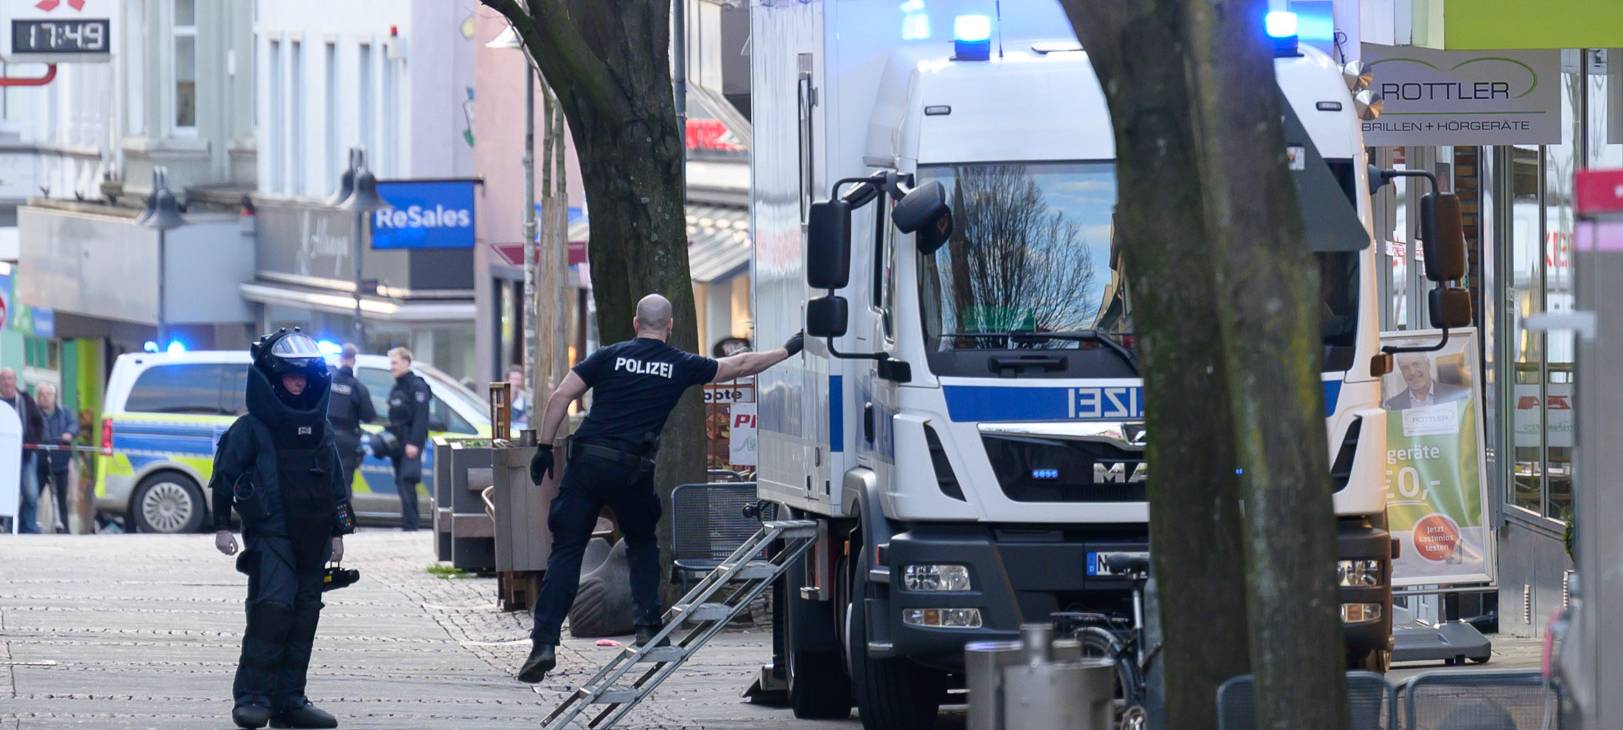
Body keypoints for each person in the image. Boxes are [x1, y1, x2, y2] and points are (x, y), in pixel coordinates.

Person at [516, 293, 804, 683]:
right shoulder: (679, 364)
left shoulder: (607, 356)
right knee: (640, 544)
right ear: (669, 327)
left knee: (567, 552)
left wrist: (545, 448)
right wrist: (787, 350)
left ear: (636, 323)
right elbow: (739, 365)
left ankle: (544, 644)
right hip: (632, 468)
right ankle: (648, 627)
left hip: (588, 463)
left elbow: (561, 395)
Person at [209, 329, 353, 729]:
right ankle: (253, 696)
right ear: (273, 378)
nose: (299, 382)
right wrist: (222, 527)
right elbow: (223, 477)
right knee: (271, 612)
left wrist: (339, 533)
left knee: (305, 615)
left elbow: (335, 484)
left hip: (313, 537)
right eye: (291, 375)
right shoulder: (251, 428)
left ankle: (289, 700)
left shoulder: (320, 430)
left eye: (304, 376)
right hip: (272, 535)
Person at [384, 347, 431, 532]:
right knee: (401, 482)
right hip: (398, 443)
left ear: (406, 362)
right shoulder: (398, 386)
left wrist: (415, 443)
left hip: (410, 443)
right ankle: (407, 522)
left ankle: (411, 525)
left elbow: (421, 417)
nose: (391, 367)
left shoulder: (416, 385)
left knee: (407, 482)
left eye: (394, 363)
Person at [325, 344, 375, 497]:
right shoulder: (358, 388)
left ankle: (327, 520)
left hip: (326, 438)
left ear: (340, 359)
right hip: (348, 442)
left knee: (325, 482)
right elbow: (368, 416)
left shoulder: (326, 383)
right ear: (354, 360)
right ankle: (343, 520)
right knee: (344, 483)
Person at [0, 369, 45, 534]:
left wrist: (33, 444)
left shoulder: (25, 400)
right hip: (3, 456)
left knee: (31, 493)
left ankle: (29, 526)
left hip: (25, 455)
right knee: (5, 493)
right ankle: (10, 526)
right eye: (3, 379)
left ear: (15, 380)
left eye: (10, 379)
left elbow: (39, 423)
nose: (7, 382)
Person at [35, 383, 77, 534]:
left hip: (60, 462)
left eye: (48, 394)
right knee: (32, 495)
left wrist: (69, 434)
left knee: (61, 497)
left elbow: (74, 425)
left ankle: (64, 528)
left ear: (54, 396)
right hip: (40, 462)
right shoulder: (34, 413)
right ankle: (25, 525)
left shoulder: (64, 412)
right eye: (41, 394)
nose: (44, 397)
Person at [1383, 352, 1471, 410]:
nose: (1412, 372)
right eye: (1405, 368)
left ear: (1428, 364)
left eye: (1416, 364)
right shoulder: (1392, 406)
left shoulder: (1457, 396)